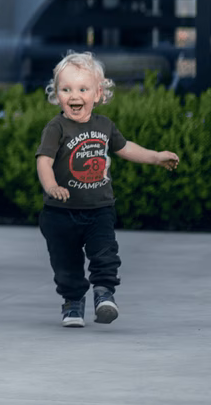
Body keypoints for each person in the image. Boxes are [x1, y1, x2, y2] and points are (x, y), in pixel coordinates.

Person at [35, 50, 179, 328]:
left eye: (82, 89)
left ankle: (104, 294)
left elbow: (126, 149)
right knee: (66, 265)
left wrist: (156, 156)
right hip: (60, 213)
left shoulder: (104, 126)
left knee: (105, 253)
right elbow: (44, 161)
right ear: (57, 94)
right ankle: (73, 303)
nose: (74, 96)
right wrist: (51, 185)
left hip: (99, 209)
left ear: (98, 93)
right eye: (66, 89)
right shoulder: (56, 127)